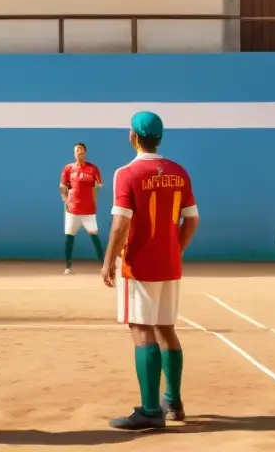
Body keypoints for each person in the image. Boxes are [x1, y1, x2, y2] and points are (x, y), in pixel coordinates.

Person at [102, 111, 200, 431]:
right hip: (170, 264)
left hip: (139, 265)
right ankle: (172, 401)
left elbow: (121, 223)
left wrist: (108, 260)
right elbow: (192, 219)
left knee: (142, 330)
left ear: (133, 136)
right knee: (166, 328)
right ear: (160, 138)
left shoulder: (126, 174)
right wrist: (175, 249)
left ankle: (149, 410)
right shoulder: (179, 172)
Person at [59, 142, 104, 273]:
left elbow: (97, 188)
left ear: (85, 152)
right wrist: (65, 200)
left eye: (80, 150)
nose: (78, 152)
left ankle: (105, 265)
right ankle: (68, 267)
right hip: (72, 210)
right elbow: (62, 186)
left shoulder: (93, 169)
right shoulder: (68, 169)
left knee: (94, 236)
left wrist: (94, 202)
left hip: (88, 211)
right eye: (76, 150)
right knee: (69, 237)